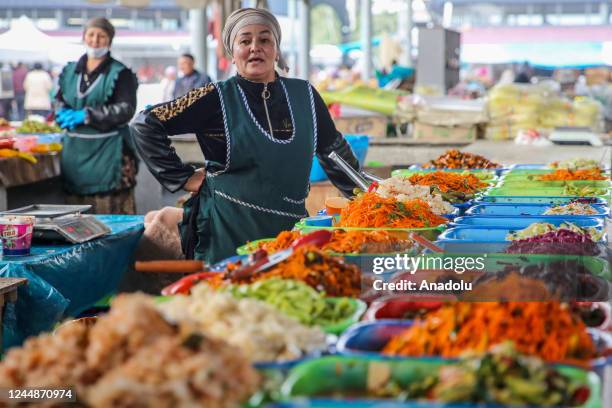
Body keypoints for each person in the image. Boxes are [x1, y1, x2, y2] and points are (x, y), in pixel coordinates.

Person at [131, 7, 360, 263]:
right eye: (245, 41)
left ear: (276, 48)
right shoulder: (214, 97)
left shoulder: (305, 95)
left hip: (290, 230)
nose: (255, 47)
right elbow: (144, 123)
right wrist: (182, 178)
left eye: (264, 39)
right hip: (226, 229)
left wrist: (364, 198)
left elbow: (333, 151)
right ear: (232, 51)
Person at [55, 17, 139, 214]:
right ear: (84, 37)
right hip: (75, 151)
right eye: (91, 34)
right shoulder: (69, 71)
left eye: (101, 36)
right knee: (76, 216)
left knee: (112, 212)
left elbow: (126, 109)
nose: (95, 40)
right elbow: (59, 98)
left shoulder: (121, 73)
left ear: (109, 40)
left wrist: (86, 115)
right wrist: (61, 112)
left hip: (110, 152)